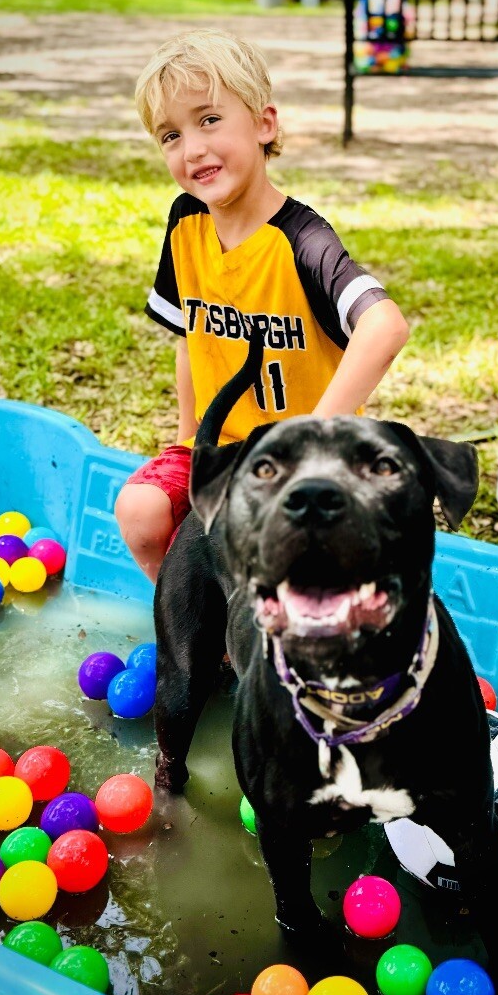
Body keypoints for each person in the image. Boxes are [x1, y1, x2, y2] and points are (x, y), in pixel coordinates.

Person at [116, 30, 409, 582]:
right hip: (223, 451)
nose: (192, 148)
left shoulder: (303, 241)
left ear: (264, 124)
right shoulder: (186, 223)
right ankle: (202, 626)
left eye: (209, 120)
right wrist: (187, 439)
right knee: (140, 510)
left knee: (268, 543)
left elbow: (385, 327)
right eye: (170, 135)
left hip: (313, 466)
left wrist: (312, 440)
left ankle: (269, 629)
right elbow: (190, 336)